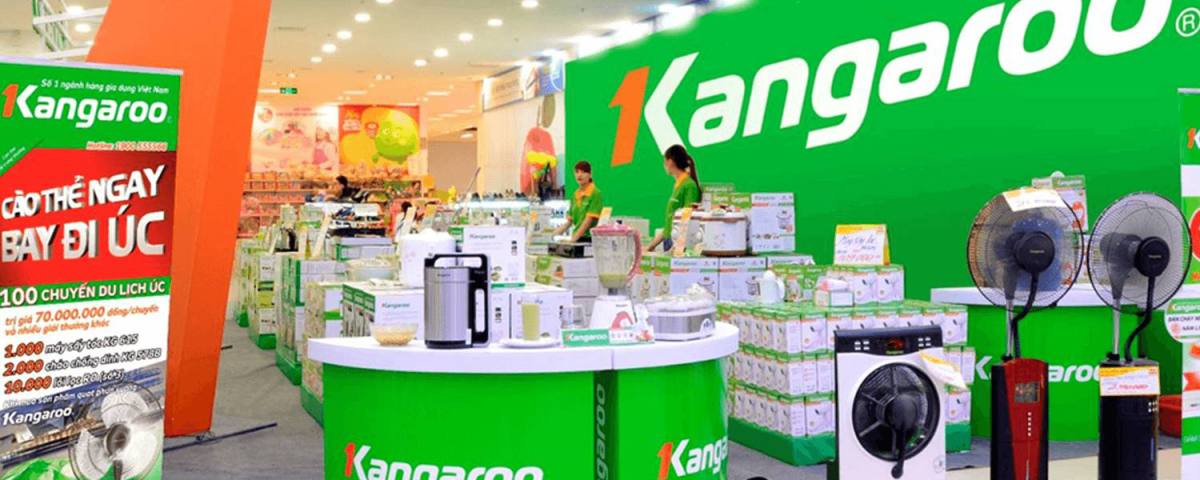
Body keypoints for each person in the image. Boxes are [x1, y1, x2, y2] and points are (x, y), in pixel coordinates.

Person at [645, 145, 701, 252]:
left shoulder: (689, 185)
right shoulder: (678, 185)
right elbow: (669, 226)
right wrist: (650, 247)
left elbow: (687, 220)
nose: (664, 165)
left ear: (670, 162)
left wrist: (676, 247)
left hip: (678, 246)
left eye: (664, 161)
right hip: (670, 242)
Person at [553, 161, 603, 242]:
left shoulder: (596, 193)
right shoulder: (575, 195)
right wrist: (550, 235)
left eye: (583, 172)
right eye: (577, 172)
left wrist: (573, 240)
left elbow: (588, 220)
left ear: (590, 174)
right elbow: (569, 222)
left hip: (589, 239)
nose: (579, 175)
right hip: (576, 238)